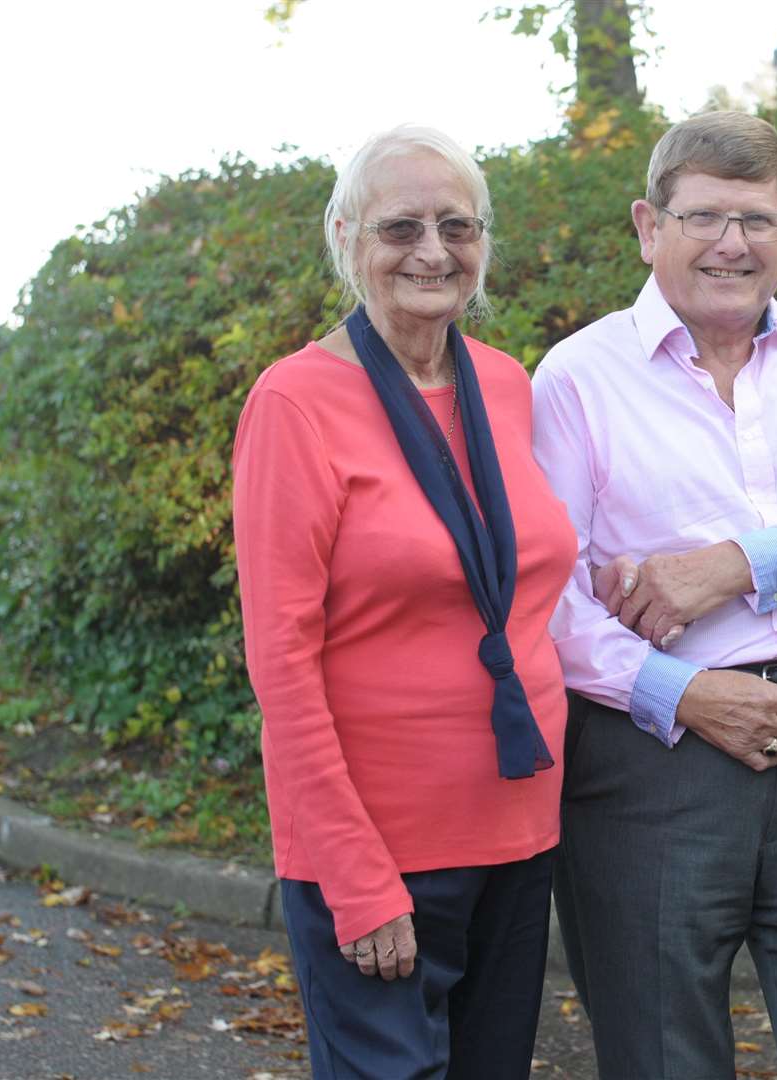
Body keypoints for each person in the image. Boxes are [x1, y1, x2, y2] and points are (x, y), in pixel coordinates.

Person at [530, 110, 777, 1080]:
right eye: (704, 216)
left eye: (757, 220)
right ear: (647, 226)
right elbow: (546, 598)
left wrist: (736, 564)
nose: (731, 243)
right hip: (654, 762)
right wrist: (679, 693)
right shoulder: (579, 379)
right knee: (662, 1056)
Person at [232, 125, 577, 1080]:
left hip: (518, 828)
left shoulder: (506, 385)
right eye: (400, 228)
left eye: (456, 225)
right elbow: (281, 662)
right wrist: (351, 873)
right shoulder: (293, 403)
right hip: (379, 849)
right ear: (345, 238)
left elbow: (525, 583)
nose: (432, 251)